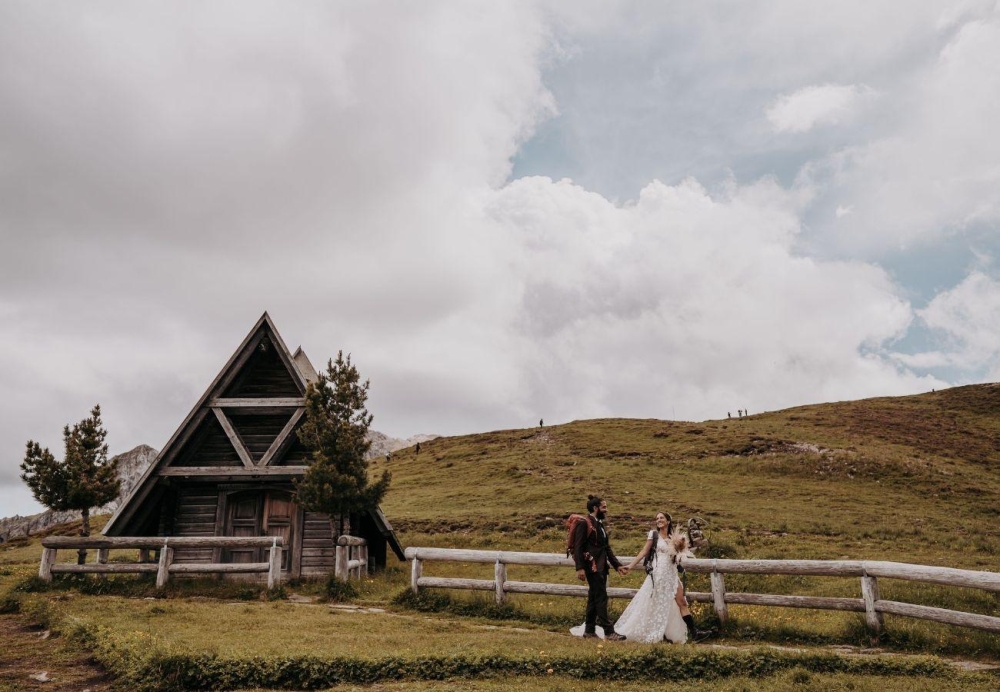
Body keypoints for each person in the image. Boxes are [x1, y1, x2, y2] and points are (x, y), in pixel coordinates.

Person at [614, 512, 710, 643]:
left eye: (661, 518)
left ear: (668, 521)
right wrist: (630, 566)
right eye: (657, 518)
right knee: (658, 604)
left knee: (682, 602)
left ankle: (695, 633)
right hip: (659, 575)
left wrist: (680, 550)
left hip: (672, 574)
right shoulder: (654, 535)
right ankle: (657, 632)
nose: (659, 520)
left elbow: (678, 555)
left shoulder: (674, 537)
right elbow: (644, 551)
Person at [570, 495, 629, 640]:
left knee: (593, 598)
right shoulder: (584, 523)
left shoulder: (599, 524)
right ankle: (609, 632)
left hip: (601, 567)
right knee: (601, 597)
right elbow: (578, 547)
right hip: (592, 567)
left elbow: (606, 548)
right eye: (604, 507)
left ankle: (589, 631)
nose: (606, 510)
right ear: (595, 508)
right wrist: (580, 568)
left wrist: (617, 566)